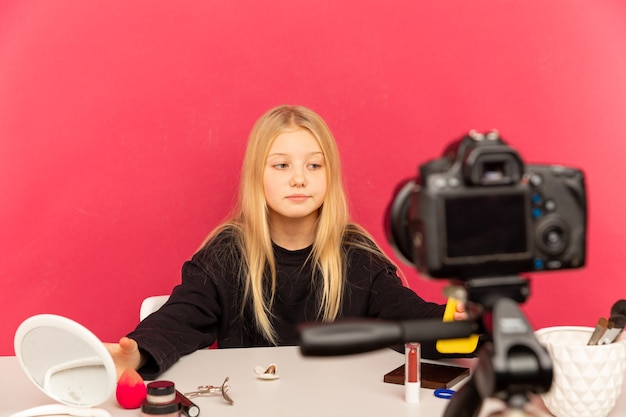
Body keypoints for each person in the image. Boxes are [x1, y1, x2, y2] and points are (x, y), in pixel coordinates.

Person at [105, 105, 467, 380]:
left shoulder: (358, 256)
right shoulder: (226, 255)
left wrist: (471, 323)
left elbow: (413, 317)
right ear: (256, 176)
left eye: (314, 166)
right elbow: (180, 317)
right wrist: (135, 353)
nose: (299, 179)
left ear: (330, 175)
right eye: (281, 166)